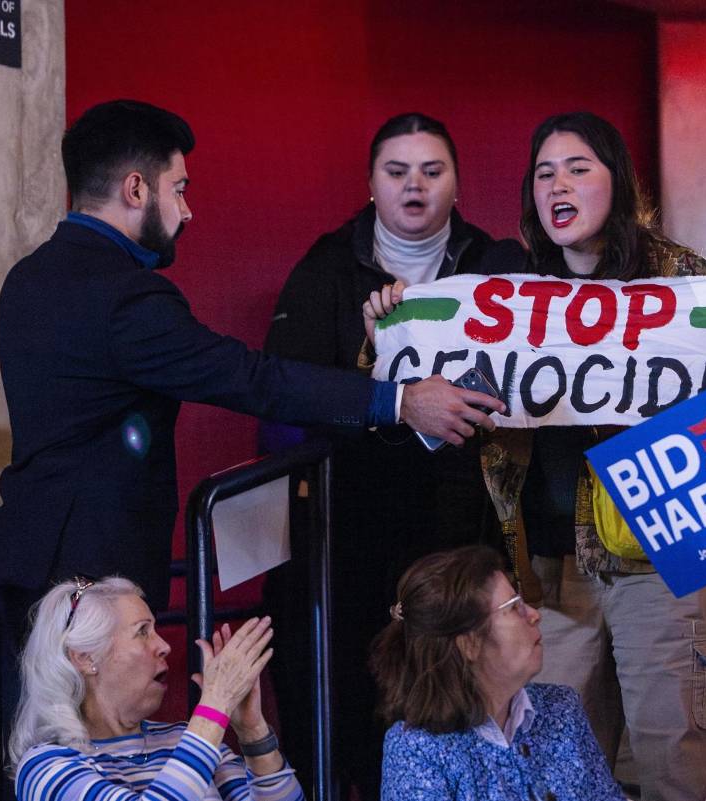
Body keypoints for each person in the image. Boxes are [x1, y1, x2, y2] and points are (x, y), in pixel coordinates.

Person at [0, 99, 504, 721]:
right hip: (87, 582)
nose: (187, 209)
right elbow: (248, 378)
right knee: (89, 762)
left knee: (29, 763)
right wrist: (399, 400)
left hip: (20, 562)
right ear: (136, 188)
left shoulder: (28, 276)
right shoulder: (125, 295)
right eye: (180, 188)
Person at [260, 112, 524, 795]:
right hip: (349, 529)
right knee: (354, 709)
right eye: (397, 172)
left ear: (457, 183)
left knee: (456, 705)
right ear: (370, 184)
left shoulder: (497, 264)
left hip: (461, 530)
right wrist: (379, 373)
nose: (415, 187)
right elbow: (284, 394)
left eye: (432, 172)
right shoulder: (325, 268)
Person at [497, 111, 706, 801]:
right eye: (544, 173)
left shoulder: (684, 277)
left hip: (661, 562)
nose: (557, 185)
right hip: (548, 572)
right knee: (559, 776)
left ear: (618, 182)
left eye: (578, 168)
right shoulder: (508, 291)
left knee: (672, 765)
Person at [11, 576, 301, 801]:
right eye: (142, 632)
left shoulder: (183, 739)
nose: (164, 646)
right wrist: (215, 705)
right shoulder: (46, 768)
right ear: (86, 657)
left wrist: (252, 731)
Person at [370, 545, 624, 801]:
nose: (535, 615)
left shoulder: (561, 708)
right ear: (469, 643)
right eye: (514, 607)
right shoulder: (417, 749)